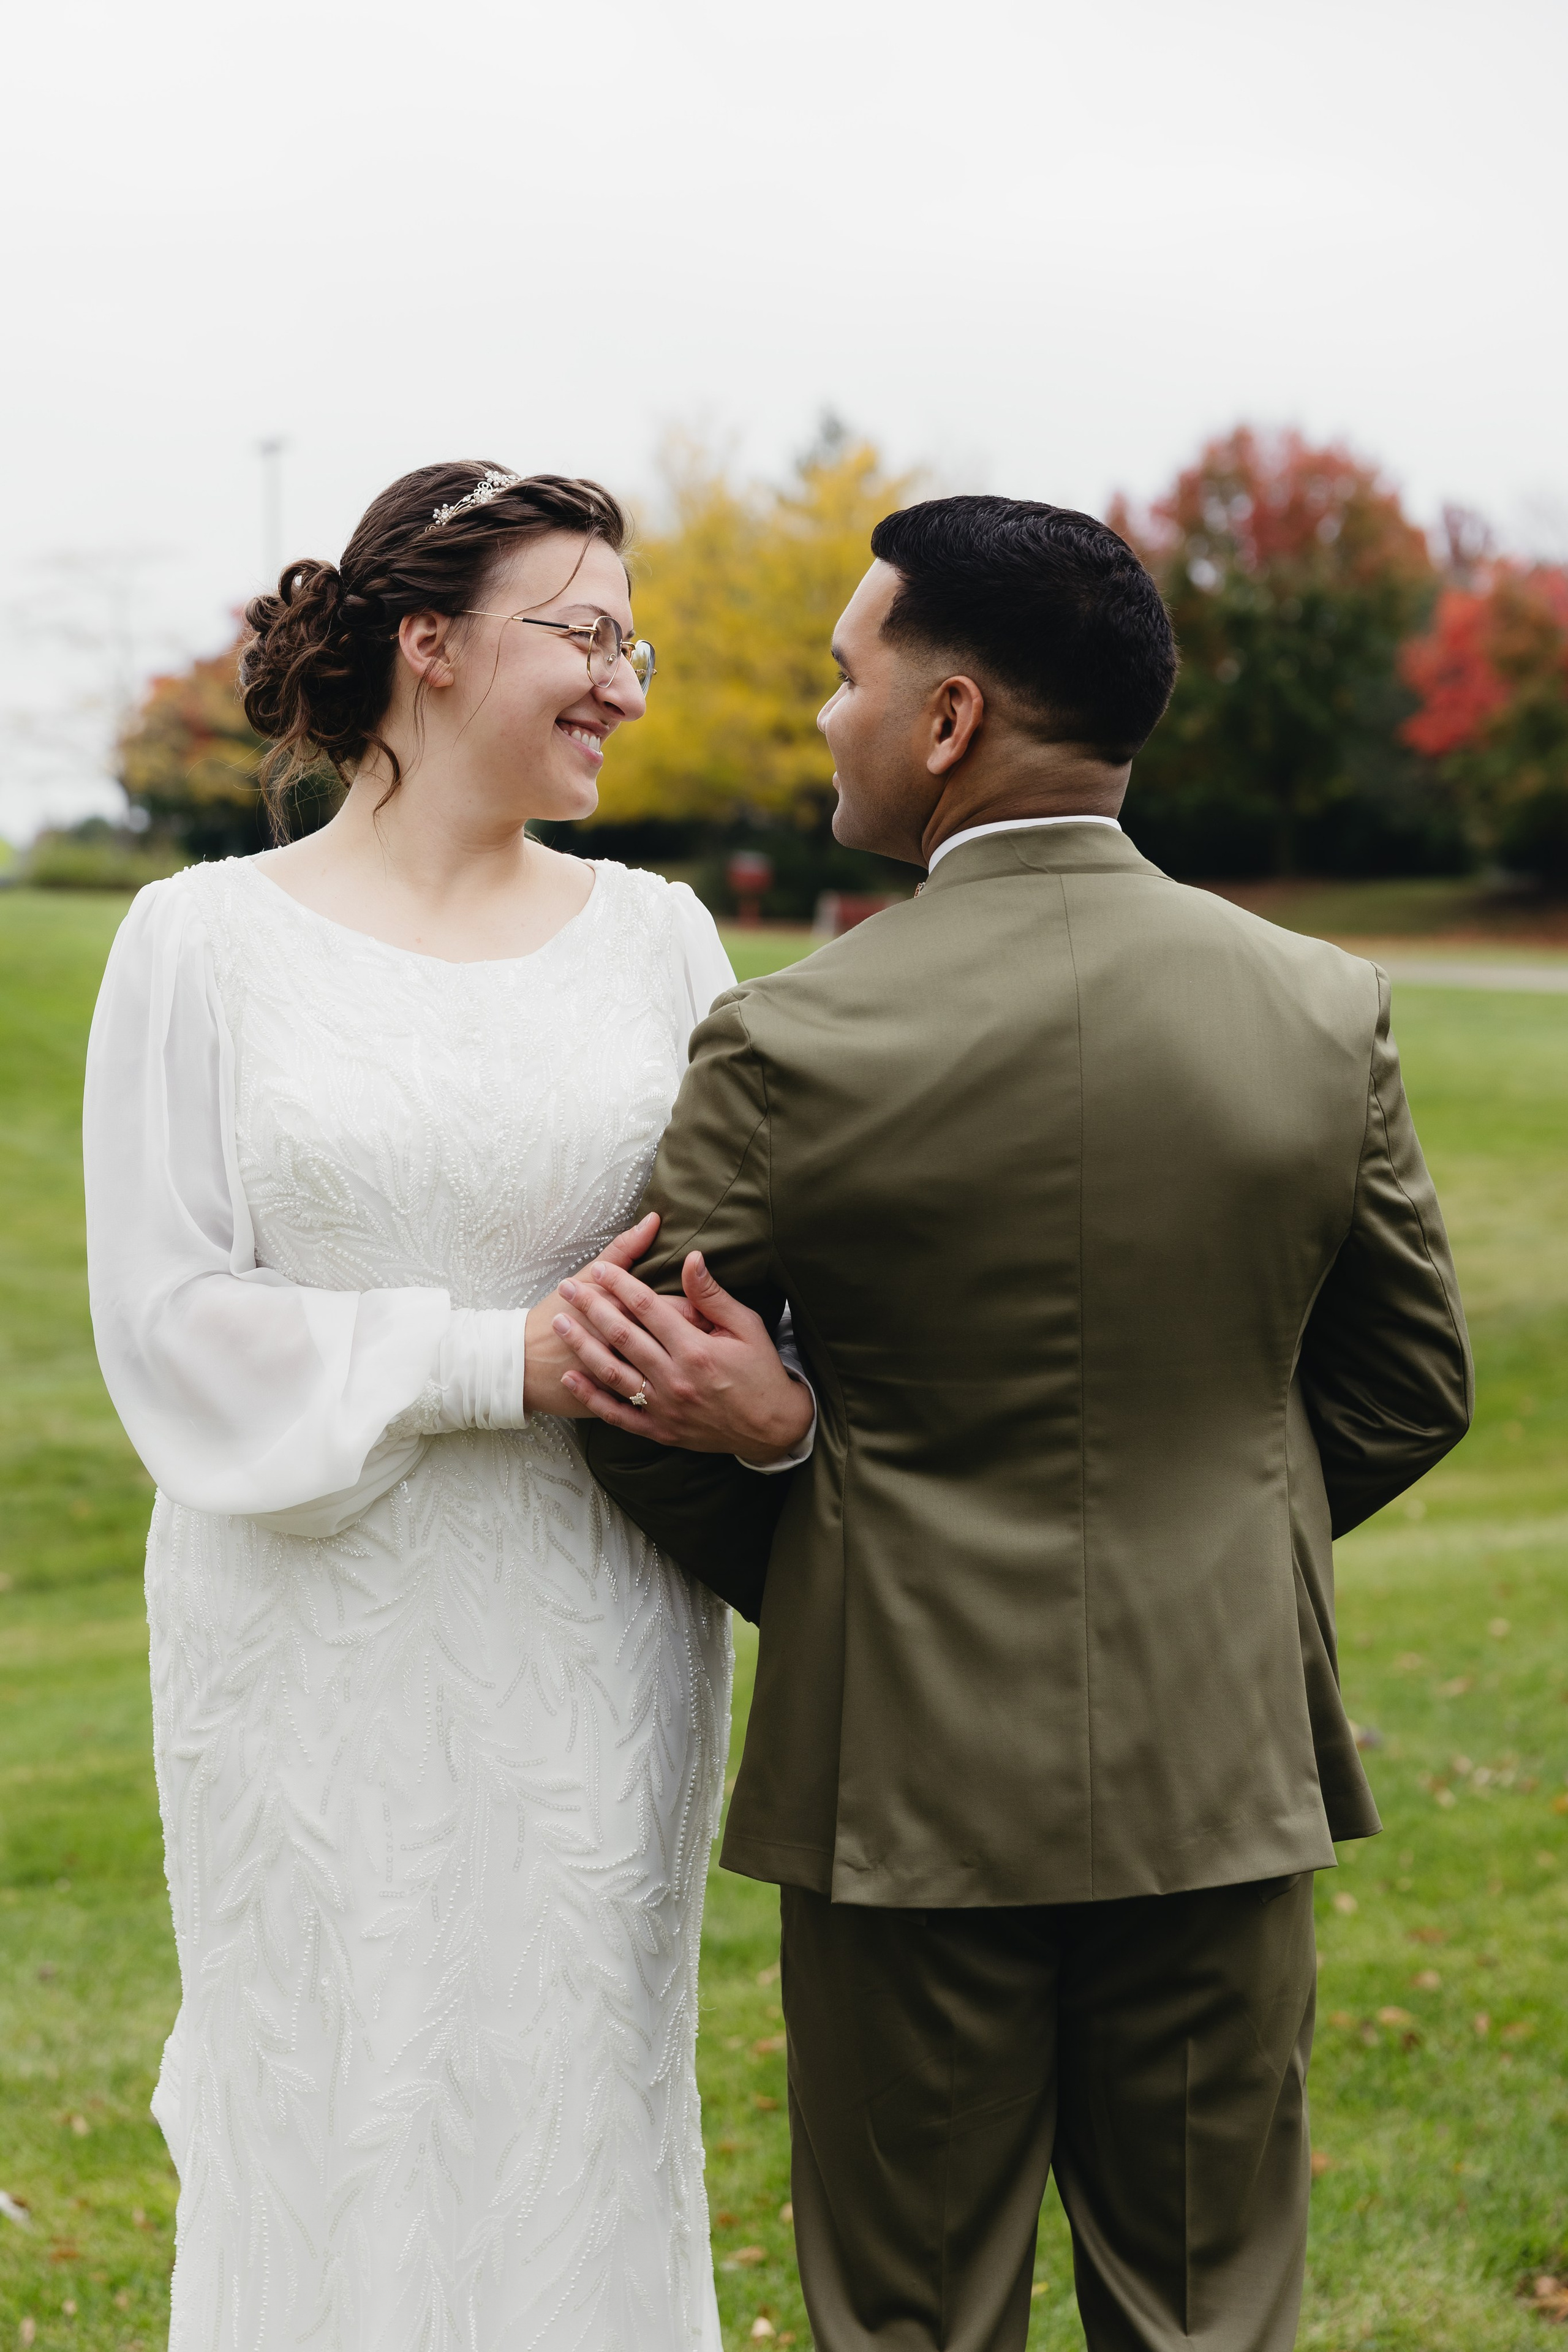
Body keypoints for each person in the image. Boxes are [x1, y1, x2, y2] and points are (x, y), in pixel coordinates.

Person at [550, 496, 1473, 2352]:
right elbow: (1407, 1387)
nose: (829, 717)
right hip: (1222, 1761)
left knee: (912, 2316)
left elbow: (635, 1392)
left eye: (846, 676)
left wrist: (819, 1508)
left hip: (900, 1787)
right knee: (1209, 2311)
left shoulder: (796, 1042)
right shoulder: (1321, 1009)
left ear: (951, 718)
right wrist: (1220, 1550)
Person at [82, 462, 813, 2352]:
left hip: (592, 1623)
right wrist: (496, 1361)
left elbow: (746, 1263)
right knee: (323, 2078)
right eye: (585, 636)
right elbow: (168, 1323)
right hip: (300, 1624)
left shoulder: (661, 939)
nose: (625, 684)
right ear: (429, 643)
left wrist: (763, 1391)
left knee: (576, 2087)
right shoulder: (199, 943)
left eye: (635, 646)